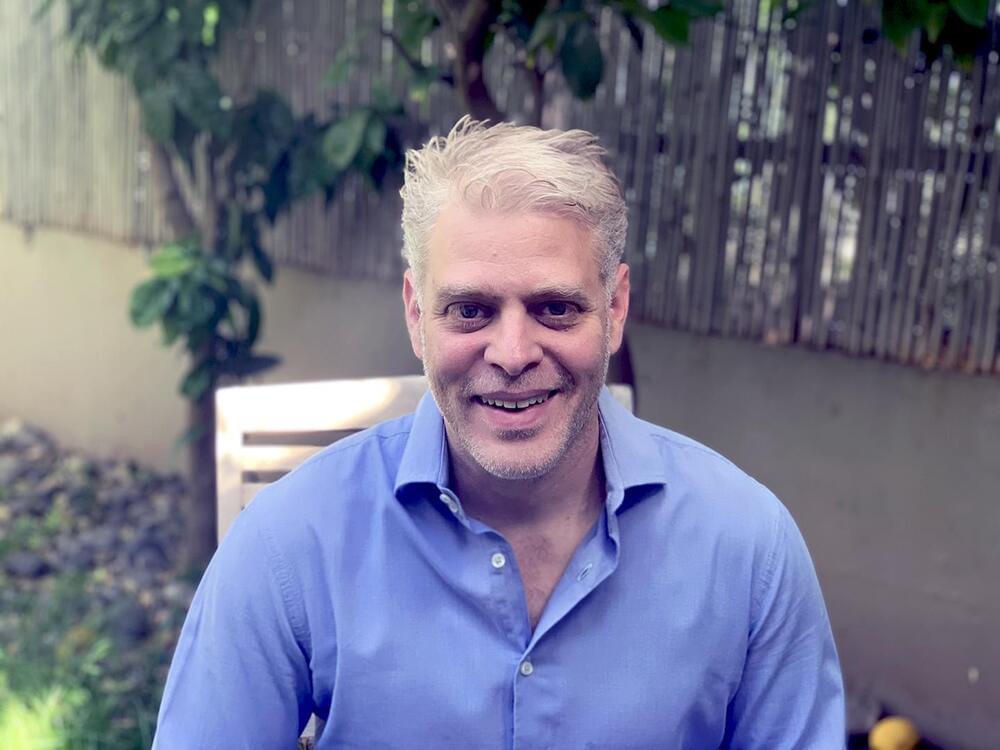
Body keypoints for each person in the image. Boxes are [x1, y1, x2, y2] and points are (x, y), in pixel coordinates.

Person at [153, 117, 845, 748]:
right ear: (416, 315)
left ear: (615, 308)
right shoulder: (289, 544)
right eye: (471, 310)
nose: (513, 354)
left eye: (555, 308)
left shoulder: (747, 549)